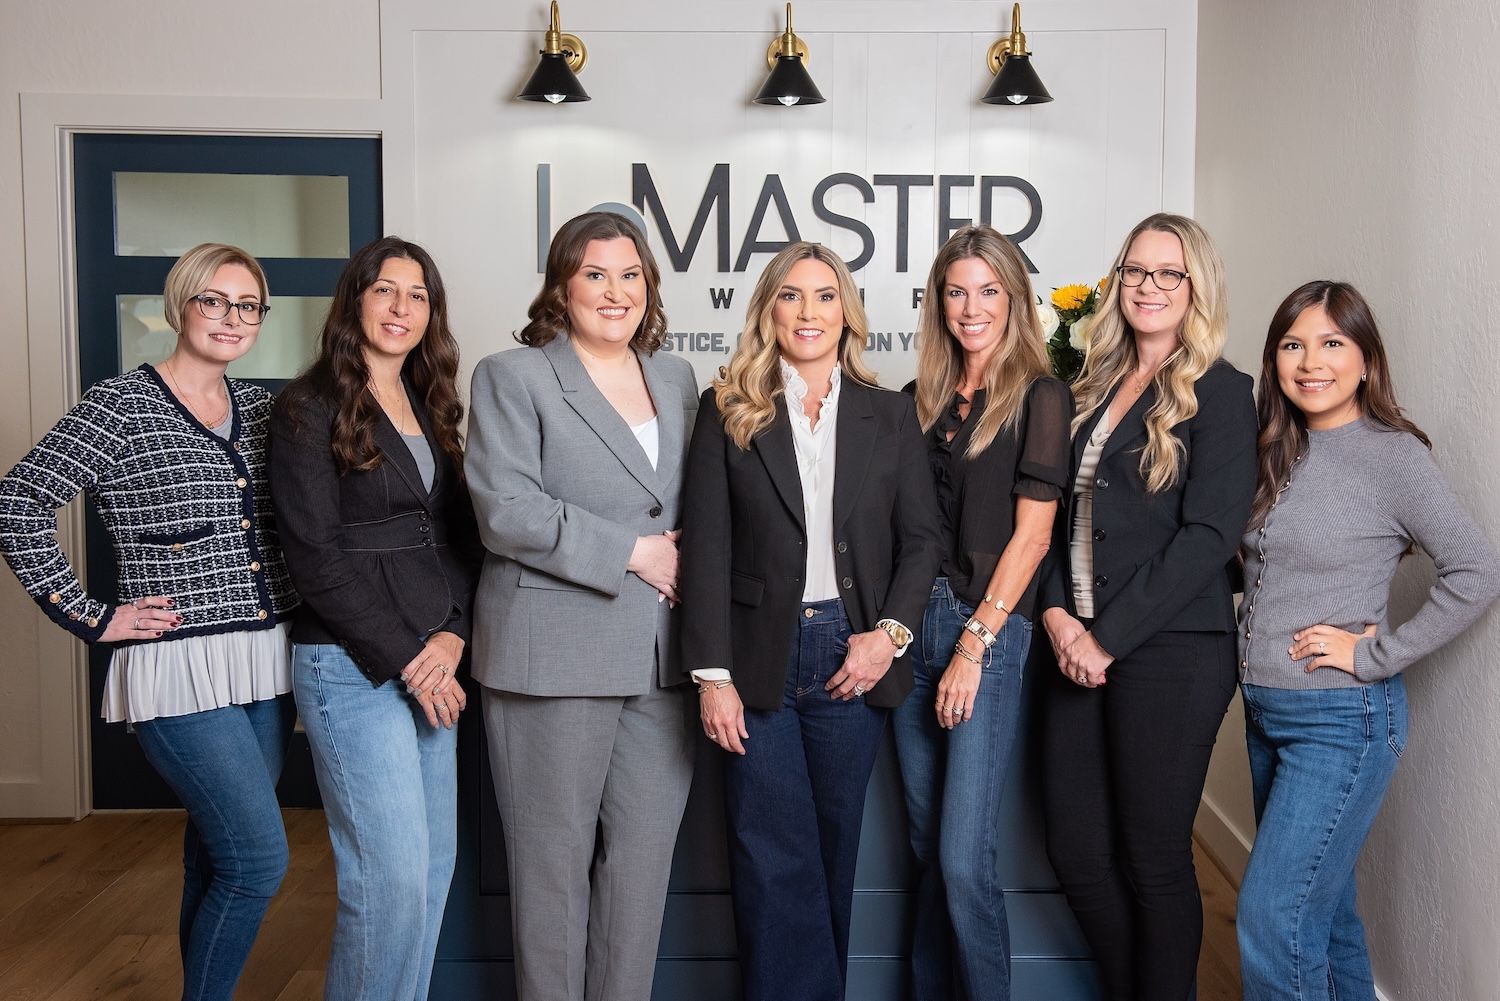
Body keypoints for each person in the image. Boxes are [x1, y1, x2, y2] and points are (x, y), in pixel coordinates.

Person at [0, 243, 298, 1001]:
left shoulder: (263, 409)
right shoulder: (120, 405)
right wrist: (91, 614)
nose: (232, 319)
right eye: (214, 300)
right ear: (181, 304)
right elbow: (19, 502)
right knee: (259, 859)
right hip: (177, 667)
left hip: (265, 661)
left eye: (248, 305)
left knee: (218, 854)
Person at [680, 241, 941, 1001]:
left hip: (851, 652)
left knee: (830, 854)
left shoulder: (889, 412)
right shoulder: (727, 407)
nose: (808, 312)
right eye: (791, 296)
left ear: (847, 311)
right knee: (772, 859)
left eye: (825, 296)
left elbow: (922, 542)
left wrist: (888, 639)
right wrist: (712, 676)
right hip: (757, 656)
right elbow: (708, 543)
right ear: (768, 309)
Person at [1234, 281, 1500, 1000]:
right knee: (1326, 915)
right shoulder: (1273, 450)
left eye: (1331, 342)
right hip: (1266, 712)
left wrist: (1373, 654)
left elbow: (1478, 569)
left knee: (1271, 916)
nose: (1310, 361)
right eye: (1293, 344)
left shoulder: (1391, 456)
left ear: (1365, 356)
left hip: (1341, 722)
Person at [464, 211, 700, 1001]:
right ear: (562, 284)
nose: (615, 291)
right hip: (552, 654)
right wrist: (635, 551)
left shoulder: (675, 377)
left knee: (640, 871)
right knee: (552, 871)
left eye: (630, 274)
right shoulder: (513, 375)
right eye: (595, 273)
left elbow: (688, 499)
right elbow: (505, 509)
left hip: (660, 660)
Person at [1037, 213, 1256, 1001]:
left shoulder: (1223, 392)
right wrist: (1060, 619)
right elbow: (1047, 516)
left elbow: (1208, 534)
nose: (1149, 287)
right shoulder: (1085, 385)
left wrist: (1108, 638)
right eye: (1136, 271)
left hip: (1171, 651)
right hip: (1072, 642)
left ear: (1197, 287)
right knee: (1077, 851)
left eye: (1169, 273)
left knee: (1153, 857)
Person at [269, 236, 478, 1001]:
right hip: (352, 666)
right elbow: (315, 557)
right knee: (384, 882)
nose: (402, 308)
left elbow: (458, 535)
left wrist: (452, 634)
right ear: (354, 299)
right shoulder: (306, 407)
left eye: (418, 295)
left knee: (428, 873)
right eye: (385, 290)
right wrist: (408, 658)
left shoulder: (432, 404)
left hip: (435, 656)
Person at [892, 225, 1071, 1001]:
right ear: (938, 302)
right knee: (929, 846)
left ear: (1015, 300)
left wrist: (973, 645)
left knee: (966, 857)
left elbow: (1032, 538)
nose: (972, 308)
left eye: (989, 291)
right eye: (956, 291)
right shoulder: (917, 400)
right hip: (910, 633)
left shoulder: (1041, 395)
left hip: (986, 630)